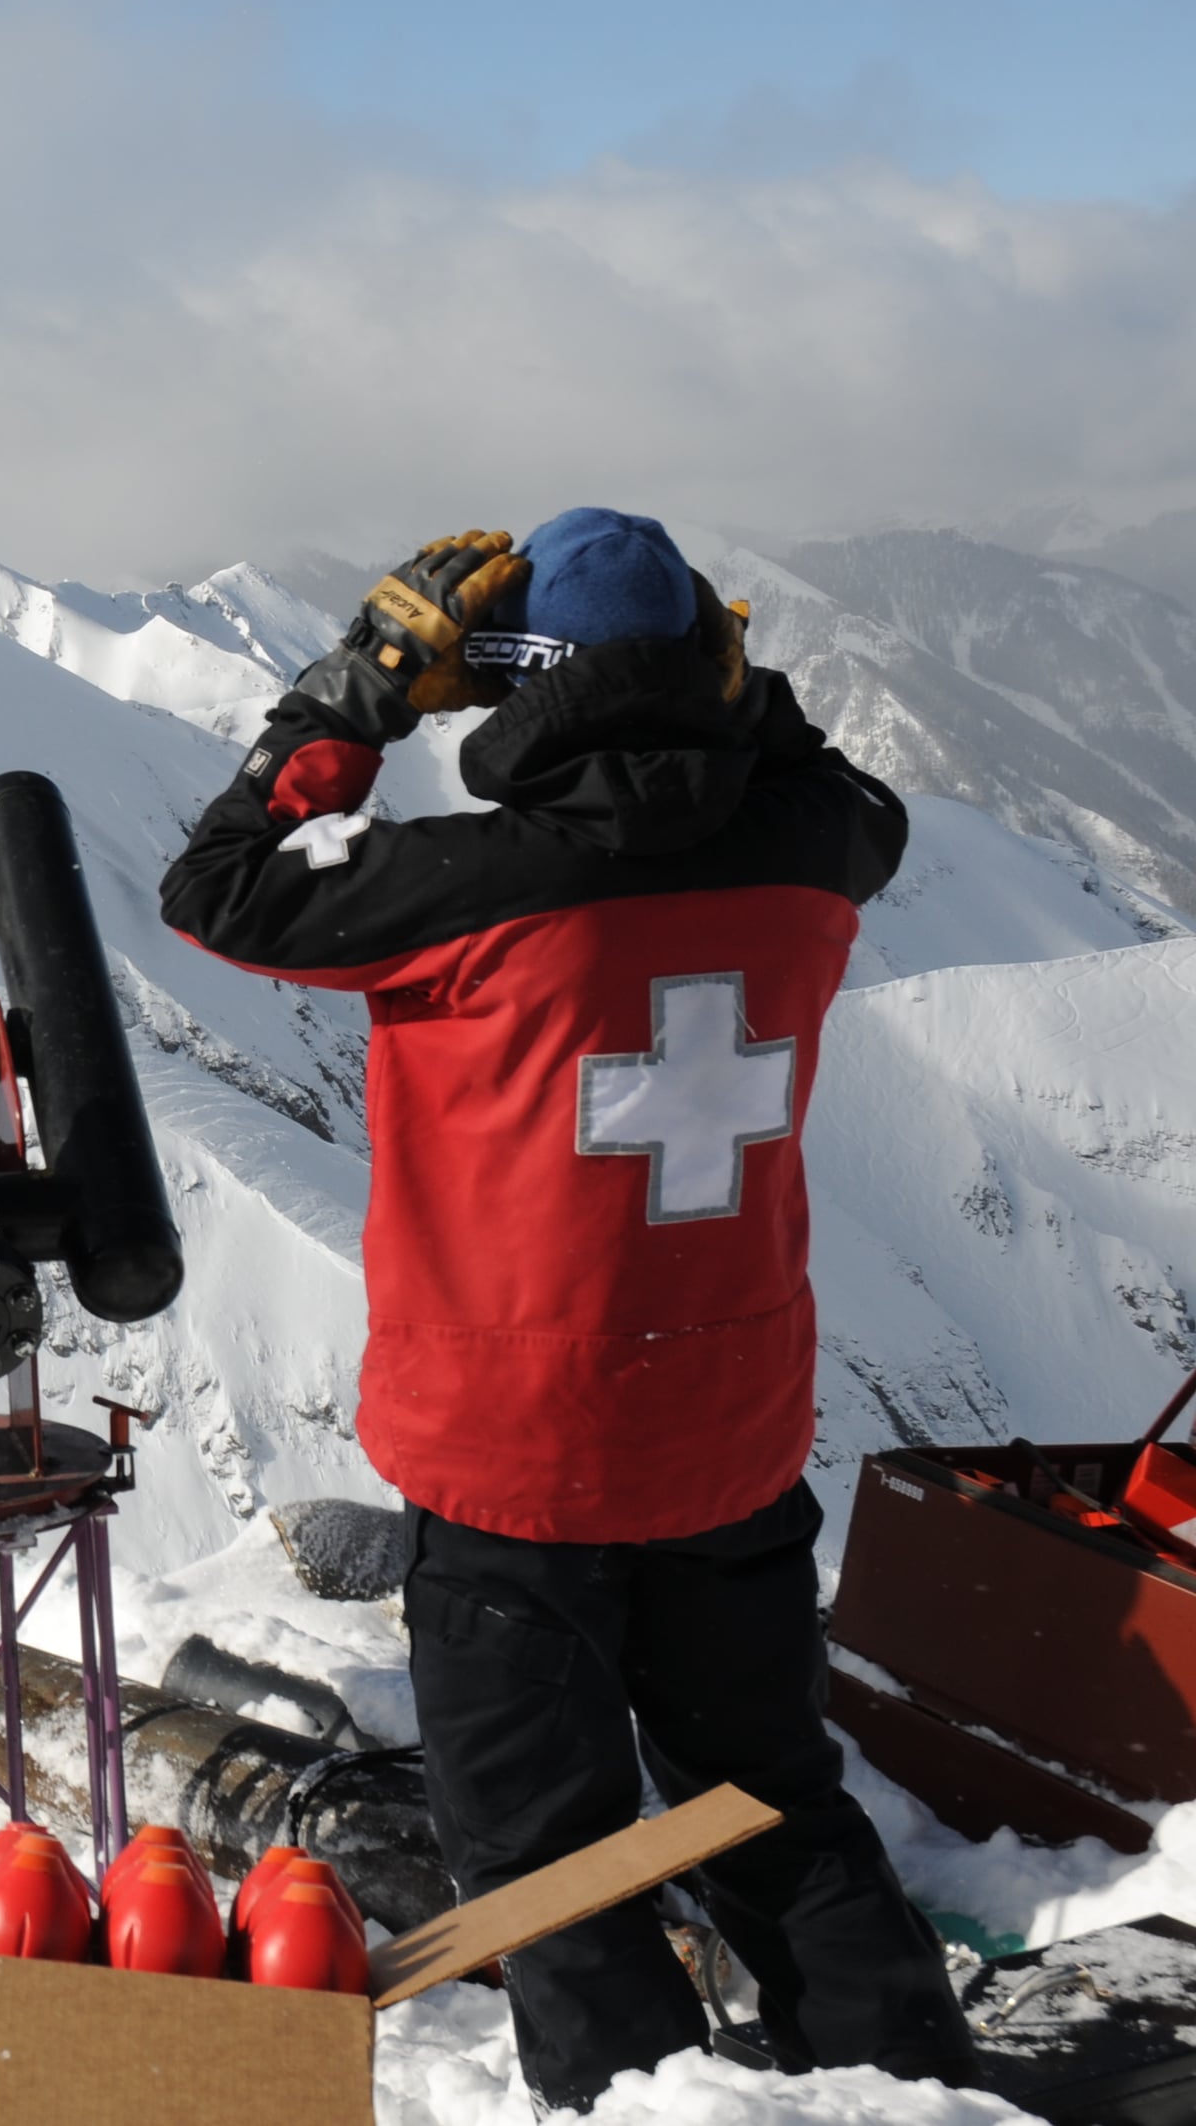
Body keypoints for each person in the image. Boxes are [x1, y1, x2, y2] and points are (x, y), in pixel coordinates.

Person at [158, 514, 973, 2108]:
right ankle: (924, 2090)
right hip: (730, 1430)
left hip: (512, 1454)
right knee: (773, 1798)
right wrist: (720, 681)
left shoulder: (456, 885)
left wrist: (360, 693)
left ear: (522, 684)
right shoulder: (814, 848)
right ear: (714, 668)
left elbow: (219, 885)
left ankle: (633, 2099)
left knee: (552, 1854)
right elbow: (849, 789)